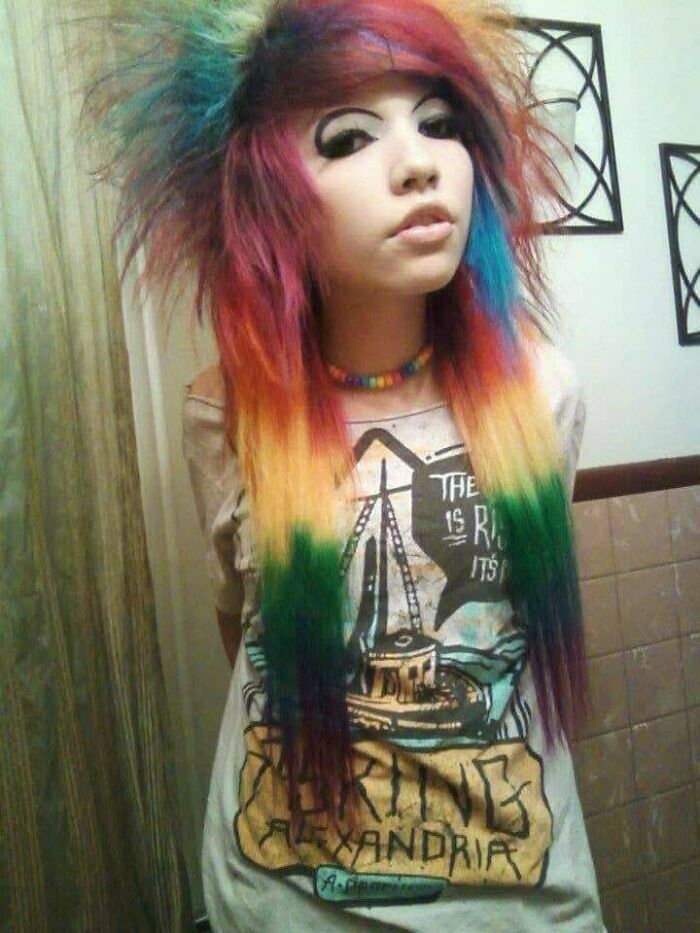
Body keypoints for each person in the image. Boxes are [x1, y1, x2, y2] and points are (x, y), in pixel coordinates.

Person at [89, 0, 605, 928]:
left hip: (521, 898)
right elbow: (244, 629)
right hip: (278, 897)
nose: (419, 163)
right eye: (349, 137)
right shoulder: (223, 413)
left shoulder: (543, 391)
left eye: (440, 123)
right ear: (267, 199)